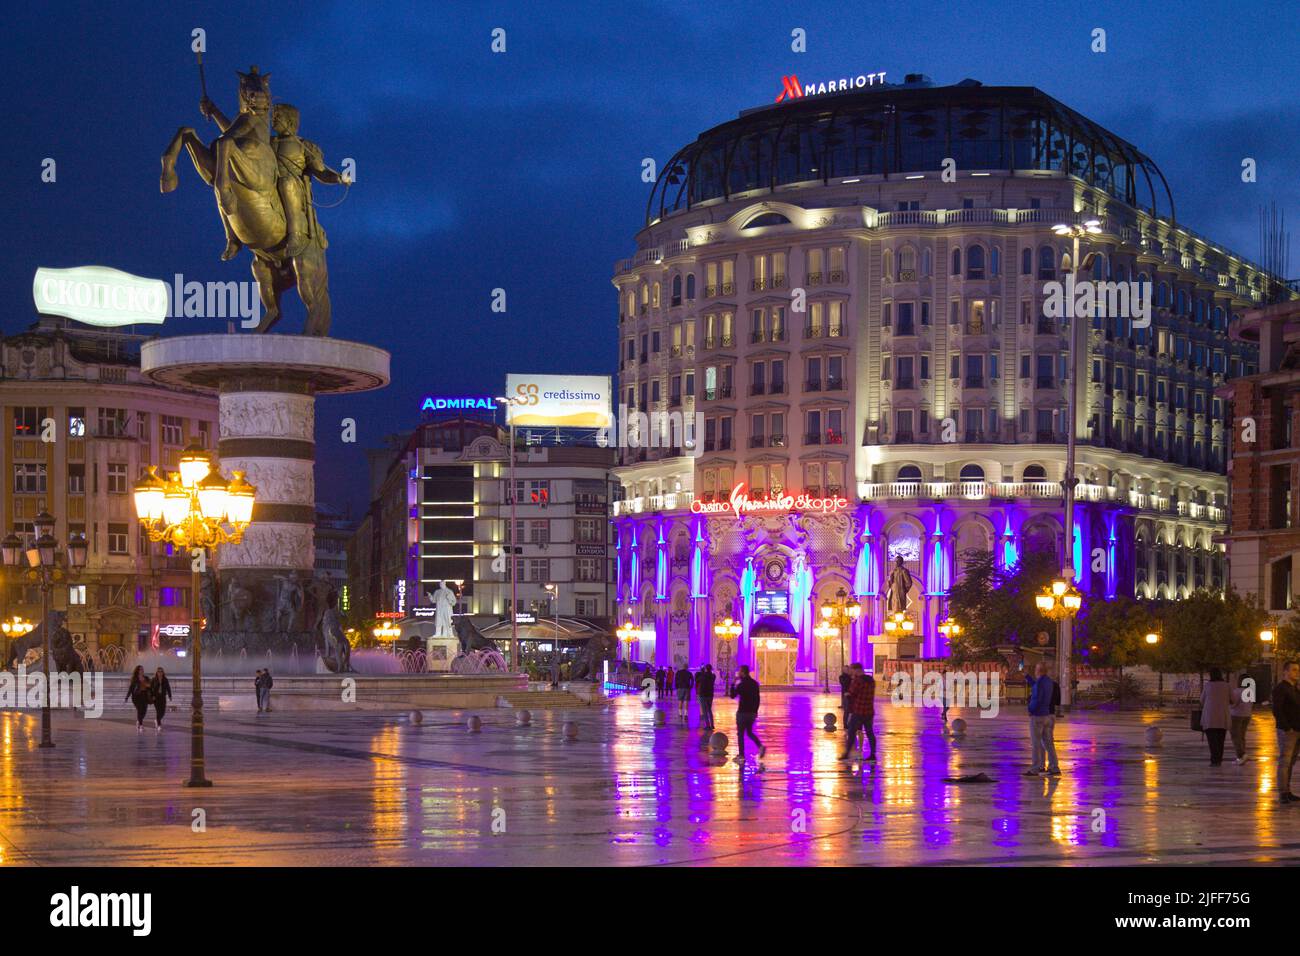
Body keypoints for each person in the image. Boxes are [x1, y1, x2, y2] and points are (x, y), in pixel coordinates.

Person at [1024, 662, 1060, 776]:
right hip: (1047, 715)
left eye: (1036, 669)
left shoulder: (1039, 683)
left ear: (1038, 671)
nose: (1035, 671)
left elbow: (1036, 698)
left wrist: (1031, 709)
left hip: (1038, 715)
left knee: (1036, 743)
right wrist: (1028, 677)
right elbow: (1038, 688)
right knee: (1049, 743)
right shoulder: (1049, 682)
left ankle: (1035, 768)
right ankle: (1054, 767)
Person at [1272, 661, 1300, 803]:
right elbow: (1277, 710)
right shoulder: (1281, 688)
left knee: (1291, 762)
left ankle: (1288, 791)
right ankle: (1283, 792)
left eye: (1298, 670)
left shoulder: (1294, 688)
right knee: (1285, 761)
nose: (1297, 673)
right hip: (1288, 731)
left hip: (1297, 730)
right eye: (1294, 670)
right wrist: (1286, 727)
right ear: (1285, 672)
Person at [839, 663, 876, 761]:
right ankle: (873, 754)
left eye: (852, 670)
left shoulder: (857, 681)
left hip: (858, 710)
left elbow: (851, 693)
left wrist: (847, 695)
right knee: (870, 733)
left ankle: (846, 753)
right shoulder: (871, 680)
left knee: (851, 732)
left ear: (857, 670)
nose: (851, 672)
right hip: (869, 711)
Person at [728, 665, 765, 762]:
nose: (739, 673)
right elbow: (757, 699)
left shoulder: (741, 684)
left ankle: (741, 755)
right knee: (749, 732)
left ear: (743, 673)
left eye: (740, 671)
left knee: (740, 734)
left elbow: (732, 695)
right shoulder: (754, 684)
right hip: (752, 713)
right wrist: (755, 711)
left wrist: (733, 684)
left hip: (742, 712)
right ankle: (760, 746)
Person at [1200, 668, 1231, 766]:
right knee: (1220, 740)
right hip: (1223, 716)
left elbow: (1202, 700)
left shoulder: (1208, 686)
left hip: (1210, 717)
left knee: (1212, 740)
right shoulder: (1227, 686)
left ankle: (1214, 760)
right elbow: (1233, 699)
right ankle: (1219, 759)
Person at [1229, 673, 1254, 765]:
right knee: (1242, 736)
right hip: (1247, 715)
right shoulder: (1250, 692)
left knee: (1235, 736)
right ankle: (1241, 757)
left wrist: (1229, 706)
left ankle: (1241, 755)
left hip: (1236, 715)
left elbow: (1233, 704)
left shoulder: (1237, 691)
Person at [125, 665, 153, 734]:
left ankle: (139, 721)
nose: (142, 670)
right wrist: (127, 697)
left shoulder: (146, 678)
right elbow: (131, 689)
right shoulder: (135, 679)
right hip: (136, 696)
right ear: (137, 671)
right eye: (140, 669)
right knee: (140, 710)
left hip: (145, 696)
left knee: (144, 711)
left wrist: (149, 687)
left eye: (142, 669)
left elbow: (150, 687)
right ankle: (141, 725)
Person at [152, 667, 172, 733]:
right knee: (158, 711)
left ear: (163, 673)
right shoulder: (154, 679)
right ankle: (159, 725)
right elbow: (150, 689)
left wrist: (170, 696)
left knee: (163, 712)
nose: (160, 673)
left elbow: (168, 688)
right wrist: (152, 696)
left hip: (163, 697)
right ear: (156, 673)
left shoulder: (165, 680)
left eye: (161, 671)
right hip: (156, 698)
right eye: (158, 671)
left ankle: (157, 720)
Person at [696, 664, 717, 729]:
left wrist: (702, 672)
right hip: (710, 694)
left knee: (704, 711)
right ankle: (712, 725)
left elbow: (697, 680)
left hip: (703, 695)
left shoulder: (703, 675)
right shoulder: (713, 676)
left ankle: (707, 725)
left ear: (705, 669)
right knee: (709, 710)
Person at [838, 666, 852, 730]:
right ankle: (845, 724)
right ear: (843, 670)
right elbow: (844, 683)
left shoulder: (852, 676)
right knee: (847, 710)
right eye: (846, 669)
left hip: (852, 695)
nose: (848, 670)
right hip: (846, 695)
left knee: (852, 711)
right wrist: (850, 677)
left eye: (848, 669)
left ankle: (851, 724)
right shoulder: (842, 677)